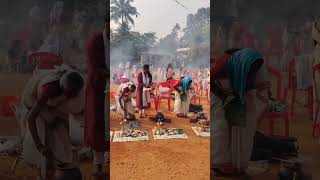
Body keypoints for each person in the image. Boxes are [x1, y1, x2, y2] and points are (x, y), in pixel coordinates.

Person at [211, 48, 270, 175]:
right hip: (219, 93)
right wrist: (225, 98)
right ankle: (218, 163)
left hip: (238, 92)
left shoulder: (251, 61)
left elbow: (255, 83)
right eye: (250, 71)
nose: (252, 74)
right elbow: (211, 81)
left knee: (244, 126)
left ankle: (237, 162)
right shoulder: (224, 65)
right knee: (221, 128)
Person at [21, 67, 84, 179]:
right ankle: (42, 173)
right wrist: (40, 146)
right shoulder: (48, 89)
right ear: (64, 90)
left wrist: (67, 138)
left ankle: (57, 169)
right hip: (33, 103)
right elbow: (31, 118)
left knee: (61, 137)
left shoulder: (74, 84)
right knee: (43, 136)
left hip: (50, 103)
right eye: (69, 94)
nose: (71, 96)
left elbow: (66, 118)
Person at [84, 30, 108, 176]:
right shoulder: (96, 40)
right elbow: (95, 67)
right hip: (97, 87)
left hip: (106, 84)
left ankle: (109, 157)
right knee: (96, 125)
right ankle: (97, 164)